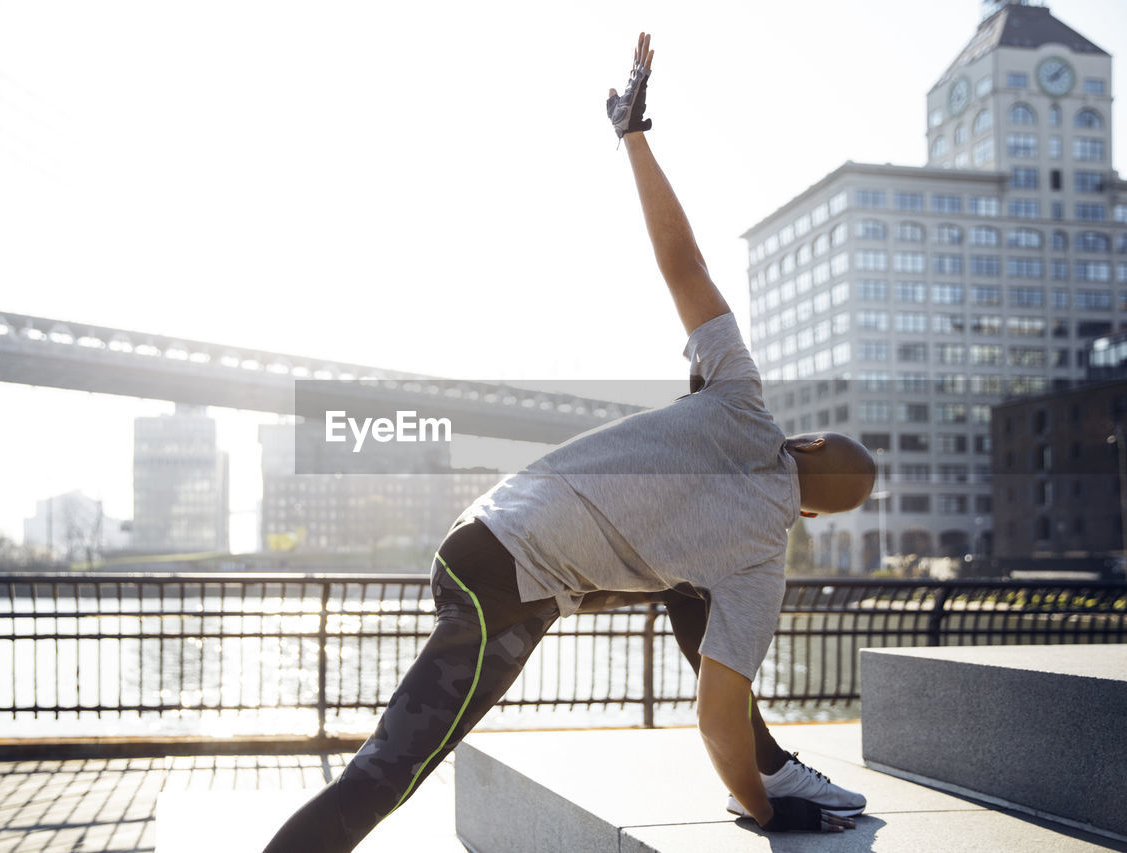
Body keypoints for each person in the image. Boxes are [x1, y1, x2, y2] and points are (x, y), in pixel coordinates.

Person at [262, 32, 876, 852]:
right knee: (388, 772)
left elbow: (681, 261)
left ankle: (775, 768)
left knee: (690, 588)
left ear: (803, 438)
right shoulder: (763, 556)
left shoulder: (738, 391)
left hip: (485, 529)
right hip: (508, 584)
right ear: (814, 513)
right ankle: (771, 780)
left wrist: (634, 137)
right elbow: (717, 710)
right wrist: (763, 813)